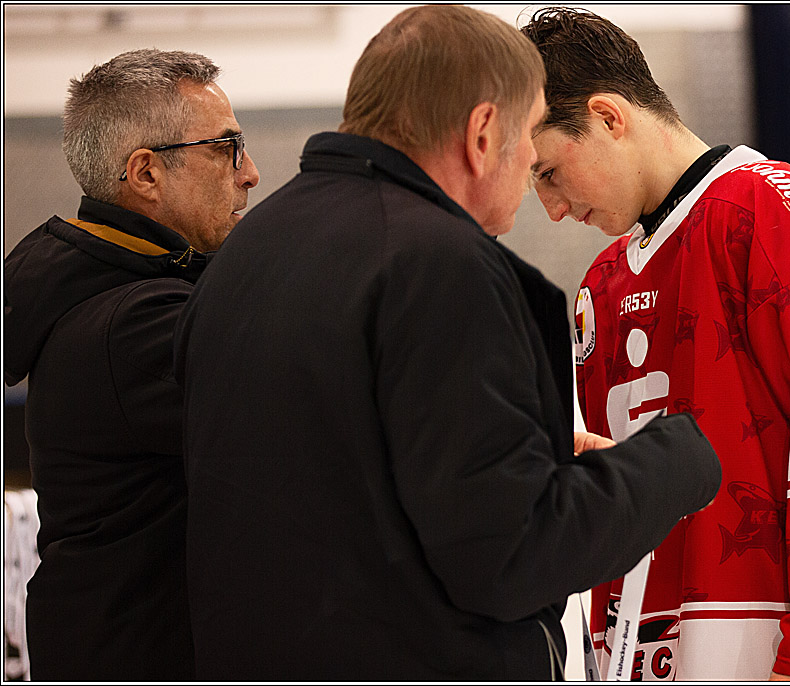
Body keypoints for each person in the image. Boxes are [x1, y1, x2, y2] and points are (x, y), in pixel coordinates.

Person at [173, 5, 721, 681]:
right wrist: (677, 458)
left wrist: (523, 445)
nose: (528, 172)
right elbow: (512, 554)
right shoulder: (440, 266)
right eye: (528, 143)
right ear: (483, 132)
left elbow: (351, 473)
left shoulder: (248, 252)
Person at [521, 8, 790, 681]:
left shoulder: (779, 212)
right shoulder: (600, 287)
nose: (550, 208)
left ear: (609, 117)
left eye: (550, 172)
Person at [3, 49, 260, 680]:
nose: (250, 172)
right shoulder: (140, 323)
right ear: (145, 174)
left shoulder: (107, 290)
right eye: (227, 147)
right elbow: (315, 435)